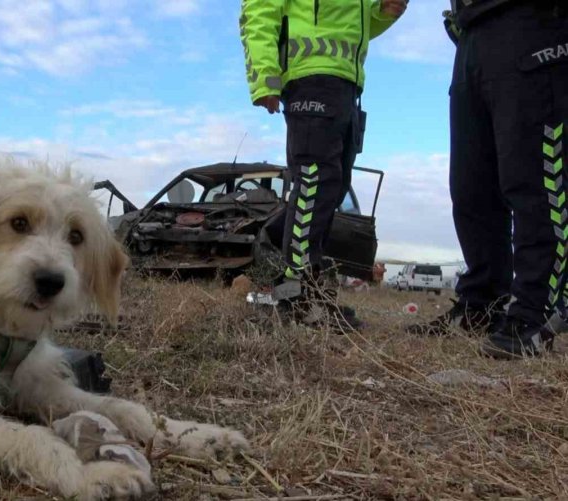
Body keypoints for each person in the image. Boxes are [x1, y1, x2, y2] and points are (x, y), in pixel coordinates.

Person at [407, 0, 567, 359]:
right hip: (471, 33)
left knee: (535, 181)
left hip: (533, 22)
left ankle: (538, 308)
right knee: (471, 189)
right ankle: (482, 302)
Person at [240, 0, 407, 330]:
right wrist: (264, 76)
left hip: (345, 85)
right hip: (309, 78)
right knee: (315, 183)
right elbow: (258, 8)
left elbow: (352, 28)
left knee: (333, 188)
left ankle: (278, 282)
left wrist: (382, 14)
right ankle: (296, 296)